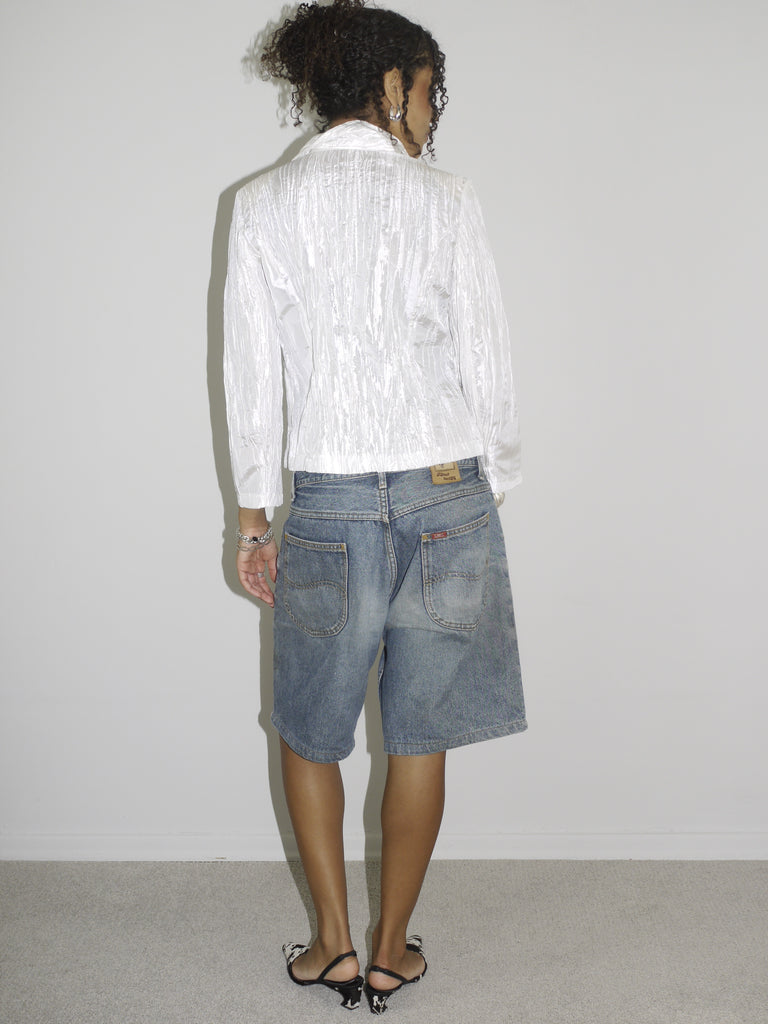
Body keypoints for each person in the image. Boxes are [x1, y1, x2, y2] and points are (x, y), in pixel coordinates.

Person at [223, 0, 526, 1013]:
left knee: (310, 731)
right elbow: (488, 359)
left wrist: (256, 513)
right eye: (430, 89)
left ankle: (334, 948)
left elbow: (248, 375)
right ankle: (397, 950)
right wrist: (496, 481)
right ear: (388, 83)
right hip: (448, 495)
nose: (435, 111)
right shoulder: (447, 198)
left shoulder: (263, 204)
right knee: (420, 731)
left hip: (329, 502)